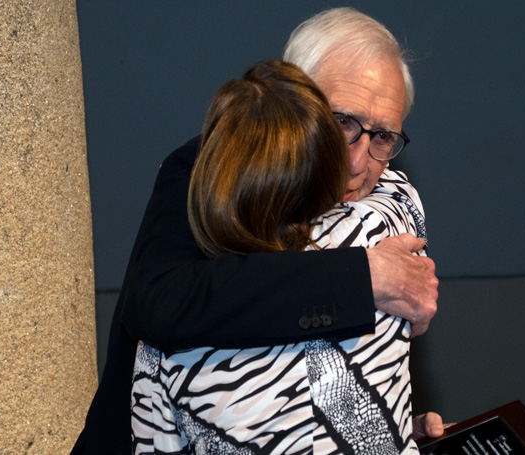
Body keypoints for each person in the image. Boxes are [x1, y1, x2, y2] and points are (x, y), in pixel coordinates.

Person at [71, 7, 440, 455]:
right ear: (294, 98)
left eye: (382, 137)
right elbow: (160, 302)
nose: (359, 162)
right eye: (343, 122)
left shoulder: (387, 206)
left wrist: (393, 425)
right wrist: (365, 278)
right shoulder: (212, 169)